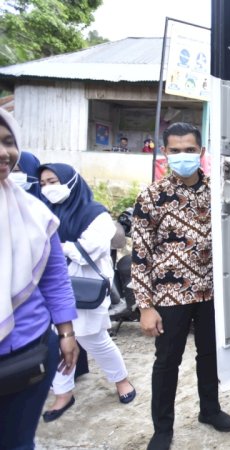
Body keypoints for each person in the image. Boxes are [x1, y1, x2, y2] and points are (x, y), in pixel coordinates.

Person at [131, 122, 230, 450]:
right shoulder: (151, 196)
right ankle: (163, 428)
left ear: (201, 152)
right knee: (167, 362)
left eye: (189, 150)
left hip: (210, 292)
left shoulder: (217, 191)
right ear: (165, 153)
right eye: (175, 151)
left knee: (209, 355)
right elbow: (140, 254)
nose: (182, 156)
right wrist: (145, 306)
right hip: (169, 294)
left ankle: (210, 409)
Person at [0, 108, 79, 449]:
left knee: (18, 441)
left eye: (8, 142)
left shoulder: (34, 215)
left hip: (27, 348)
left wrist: (66, 332)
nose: (4, 153)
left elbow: (55, 279)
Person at [37, 163, 136, 421]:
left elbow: (88, 250)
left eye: (53, 181)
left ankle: (121, 380)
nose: (48, 188)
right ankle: (63, 393)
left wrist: (54, 245)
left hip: (86, 289)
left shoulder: (95, 214)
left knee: (95, 340)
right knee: (57, 342)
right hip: (52, 288)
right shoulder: (43, 212)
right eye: (44, 183)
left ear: (71, 182)